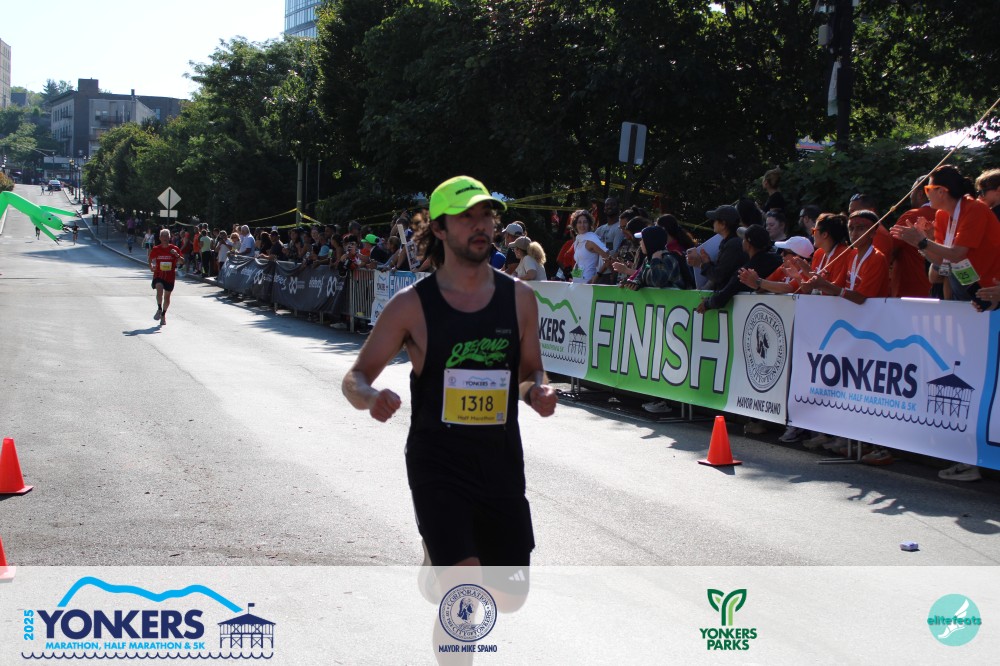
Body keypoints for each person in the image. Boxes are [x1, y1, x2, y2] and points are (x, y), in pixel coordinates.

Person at [341, 175, 556, 620]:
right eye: (465, 216)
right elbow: (355, 376)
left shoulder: (520, 299)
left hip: (500, 463)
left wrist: (537, 390)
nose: (480, 225)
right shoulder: (411, 305)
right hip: (438, 464)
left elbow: (527, 373)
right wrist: (370, 396)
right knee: (465, 597)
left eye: (486, 215)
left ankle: (436, 560)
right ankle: (445, 562)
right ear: (438, 228)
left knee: (509, 599)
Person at [891, 164, 1000, 306]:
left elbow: (957, 254)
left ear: (942, 191)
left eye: (928, 189)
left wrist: (923, 241)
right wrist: (920, 244)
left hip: (992, 290)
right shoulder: (942, 214)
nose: (926, 194)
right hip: (968, 291)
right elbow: (940, 260)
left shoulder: (975, 209)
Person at [148, 229, 184, 326]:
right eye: (163, 236)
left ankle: (163, 315)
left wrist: (176, 255)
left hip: (170, 276)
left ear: (169, 237)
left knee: (167, 297)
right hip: (159, 274)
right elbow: (150, 259)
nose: (165, 238)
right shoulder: (156, 249)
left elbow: (182, 261)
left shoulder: (174, 248)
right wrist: (151, 266)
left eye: (166, 236)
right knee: (159, 289)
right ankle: (159, 308)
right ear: (160, 238)